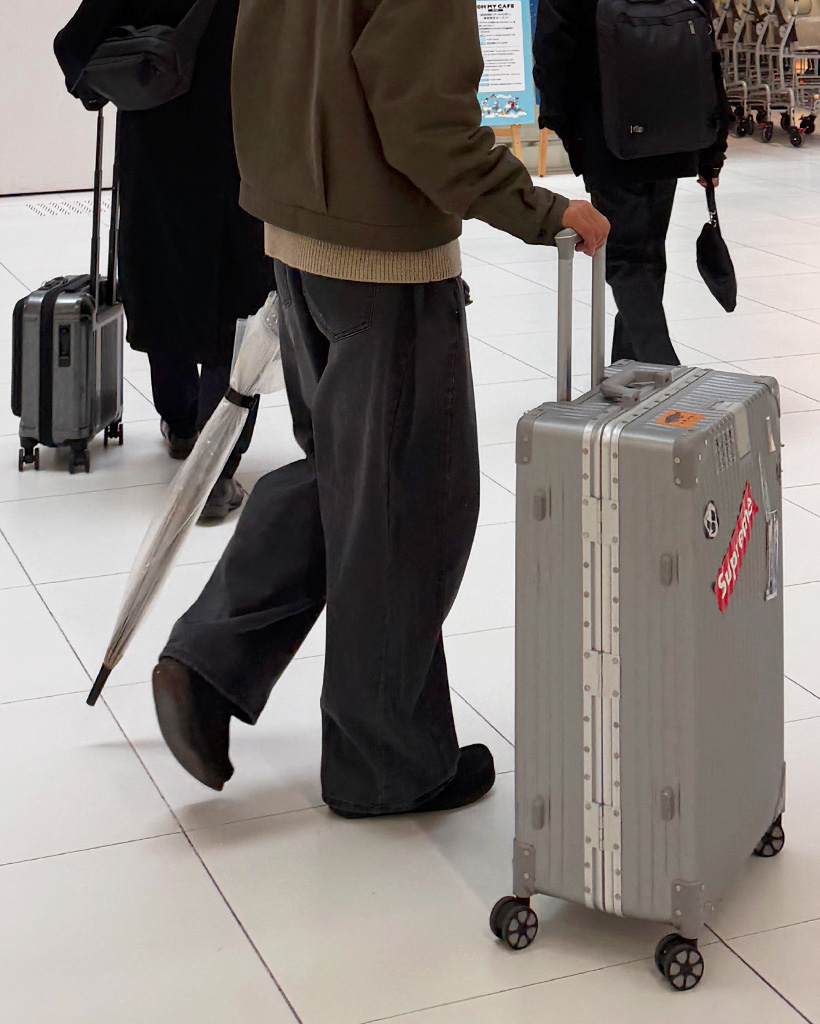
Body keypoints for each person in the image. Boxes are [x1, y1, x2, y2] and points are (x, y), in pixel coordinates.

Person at [150, 0, 610, 817]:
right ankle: (385, 761)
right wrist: (542, 210)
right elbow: (426, 127)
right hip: (380, 257)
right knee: (408, 503)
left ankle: (209, 664)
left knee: (349, 477)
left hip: (296, 232)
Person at [54, 0, 273, 520]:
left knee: (163, 288)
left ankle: (180, 424)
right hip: (243, 160)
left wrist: (115, 82)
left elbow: (73, 46)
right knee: (235, 312)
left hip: (157, 160)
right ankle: (215, 472)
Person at [534, 0, 730, 367]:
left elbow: (553, 53)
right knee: (648, 256)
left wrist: (570, 132)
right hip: (676, 130)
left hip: (606, 137)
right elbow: (706, 54)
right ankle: (630, 370)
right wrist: (712, 146)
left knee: (629, 261)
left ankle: (664, 371)